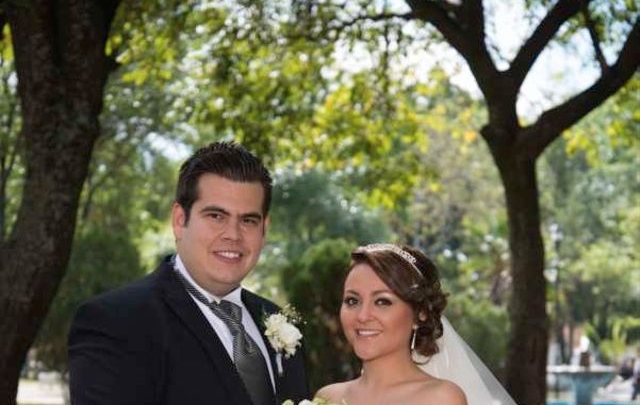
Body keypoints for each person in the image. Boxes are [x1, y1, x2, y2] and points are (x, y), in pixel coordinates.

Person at [68, 141, 310, 405]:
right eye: (216, 216)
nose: (233, 234)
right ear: (179, 220)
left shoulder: (280, 324)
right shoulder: (117, 322)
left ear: (264, 229)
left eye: (248, 220)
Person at [316, 243, 516, 405]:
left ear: (420, 313)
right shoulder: (327, 397)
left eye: (382, 301)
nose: (362, 315)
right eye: (352, 300)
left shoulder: (441, 399)